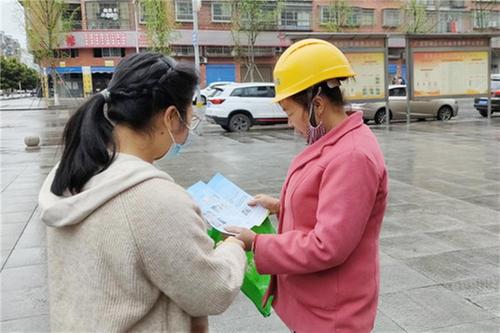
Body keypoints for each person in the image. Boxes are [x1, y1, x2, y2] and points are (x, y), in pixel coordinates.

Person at [38, 52, 247, 332]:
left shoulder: (71, 175)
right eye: (189, 119)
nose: (188, 131)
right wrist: (233, 248)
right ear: (172, 117)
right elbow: (212, 292)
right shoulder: (154, 199)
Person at [226, 39, 388, 333]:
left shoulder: (352, 155)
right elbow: (326, 205)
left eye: (289, 112)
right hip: (318, 303)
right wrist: (280, 206)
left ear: (317, 105)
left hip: (334, 316)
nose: (290, 123)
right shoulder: (335, 143)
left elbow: (328, 245)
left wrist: (257, 243)